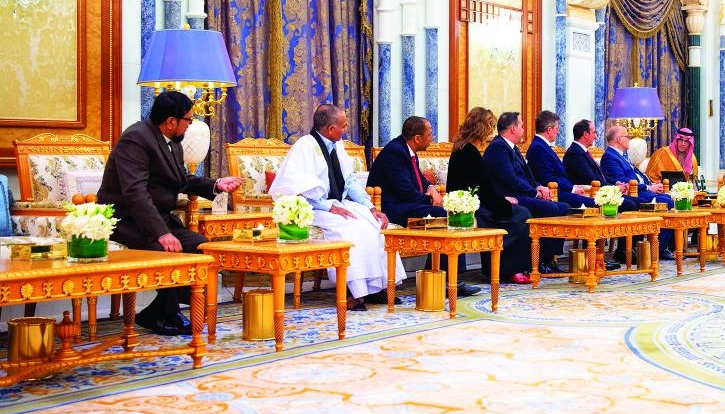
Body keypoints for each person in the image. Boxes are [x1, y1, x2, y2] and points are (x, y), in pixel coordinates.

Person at [97, 91, 243, 335]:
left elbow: (182, 180)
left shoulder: (172, 143)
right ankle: (166, 312)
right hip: (126, 221)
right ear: (171, 121)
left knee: (202, 247)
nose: (190, 124)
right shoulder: (135, 139)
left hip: (159, 219)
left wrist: (217, 184)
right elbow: (135, 192)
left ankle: (159, 312)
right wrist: (162, 233)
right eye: (188, 119)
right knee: (167, 249)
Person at [269, 104, 403, 310]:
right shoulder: (305, 146)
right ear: (331, 129)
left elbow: (349, 181)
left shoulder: (337, 145)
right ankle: (352, 293)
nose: (346, 129)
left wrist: (371, 207)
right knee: (349, 228)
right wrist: (328, 207)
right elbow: (295, 188)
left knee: (375, 224)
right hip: (312, 208)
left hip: (338, 203)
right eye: (344, 126)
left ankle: (375, 288)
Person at [368, 116, 480, 297]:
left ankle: (439, 276)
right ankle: (444, 279)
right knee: (446, 216)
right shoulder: (395, 152)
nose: (432, 139)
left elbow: (419, 179)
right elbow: (405, 191)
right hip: (395, 208)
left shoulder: (406, 150)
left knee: (449, 215)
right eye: (429, 135)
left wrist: (432, 188)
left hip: (408, 203)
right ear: (417, 138)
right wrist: (432, 200)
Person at [448, 107, 533, 283]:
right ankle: (509, 269)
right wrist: (502, 201)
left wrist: (501, 199)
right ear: (482, 128)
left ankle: (500, 268)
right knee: (521, 214)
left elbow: (482, 186)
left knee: (519, 211)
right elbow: (480, 189)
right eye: (490, 126)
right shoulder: (469, 153)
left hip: (476, 202)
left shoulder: (463, 148)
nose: (491, 131)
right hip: (473, 208)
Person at [481, 111, 571, 274]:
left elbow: (527, 176)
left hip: (522, 193)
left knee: (563, 207)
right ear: (513, 129)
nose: (524, 130)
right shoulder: (498, 148)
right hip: (510, 197)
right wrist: (534, 192)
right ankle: (540, 260)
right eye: (521, 126)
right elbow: (510, 179)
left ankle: (549, 258)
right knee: (551, 209)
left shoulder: (513, 148)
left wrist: (538, 186)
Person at [525, 110, 596, 209]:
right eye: (557, 128)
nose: (558, 132)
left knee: (598, 201)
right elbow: (547, 179)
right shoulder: (538, 148)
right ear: (549, 130)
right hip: (555, 194)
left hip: (562, 190)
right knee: (597, 203)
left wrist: (573, 188)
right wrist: (572, 189)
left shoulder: (542, 145)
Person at [599, 125, 674, 205]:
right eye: (627, 137)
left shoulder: (622, 155)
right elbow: (622, 182)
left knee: (675, 197)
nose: (629, 139)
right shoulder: (609, 157)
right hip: (634, 194)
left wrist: (651, 184)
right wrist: (648, 187)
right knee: (670, 202)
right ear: (619, 139)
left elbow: (636, 175)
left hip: (642, 190)